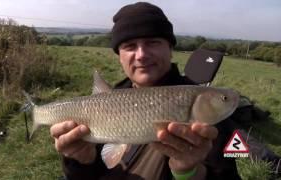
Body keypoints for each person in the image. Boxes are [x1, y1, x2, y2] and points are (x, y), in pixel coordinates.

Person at [50, 2, 241, 180]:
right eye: (130, 46)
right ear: (119, 56)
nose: (141, 55)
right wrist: (81, 161)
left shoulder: (213, 118)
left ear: (170, 48)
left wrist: (188, 172)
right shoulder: (112, 96)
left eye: (152, 42)